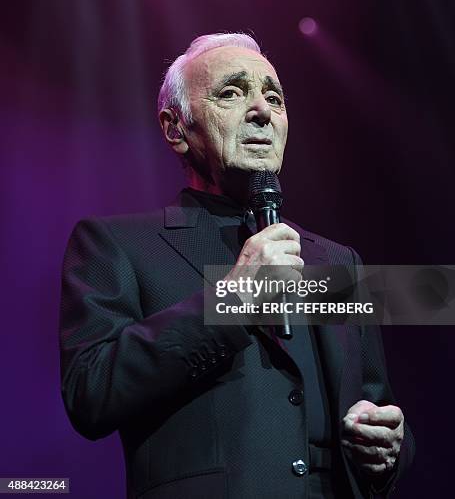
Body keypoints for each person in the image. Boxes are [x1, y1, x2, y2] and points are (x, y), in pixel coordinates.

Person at [59, 33, 415, 498]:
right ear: (176, 129)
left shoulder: (336, 260)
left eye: (274, 98)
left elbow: (377, 406)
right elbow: (90, 392)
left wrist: (387, 450)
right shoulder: (118, 244)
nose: (262, 111)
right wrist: (234, 300)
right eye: (231, 93)